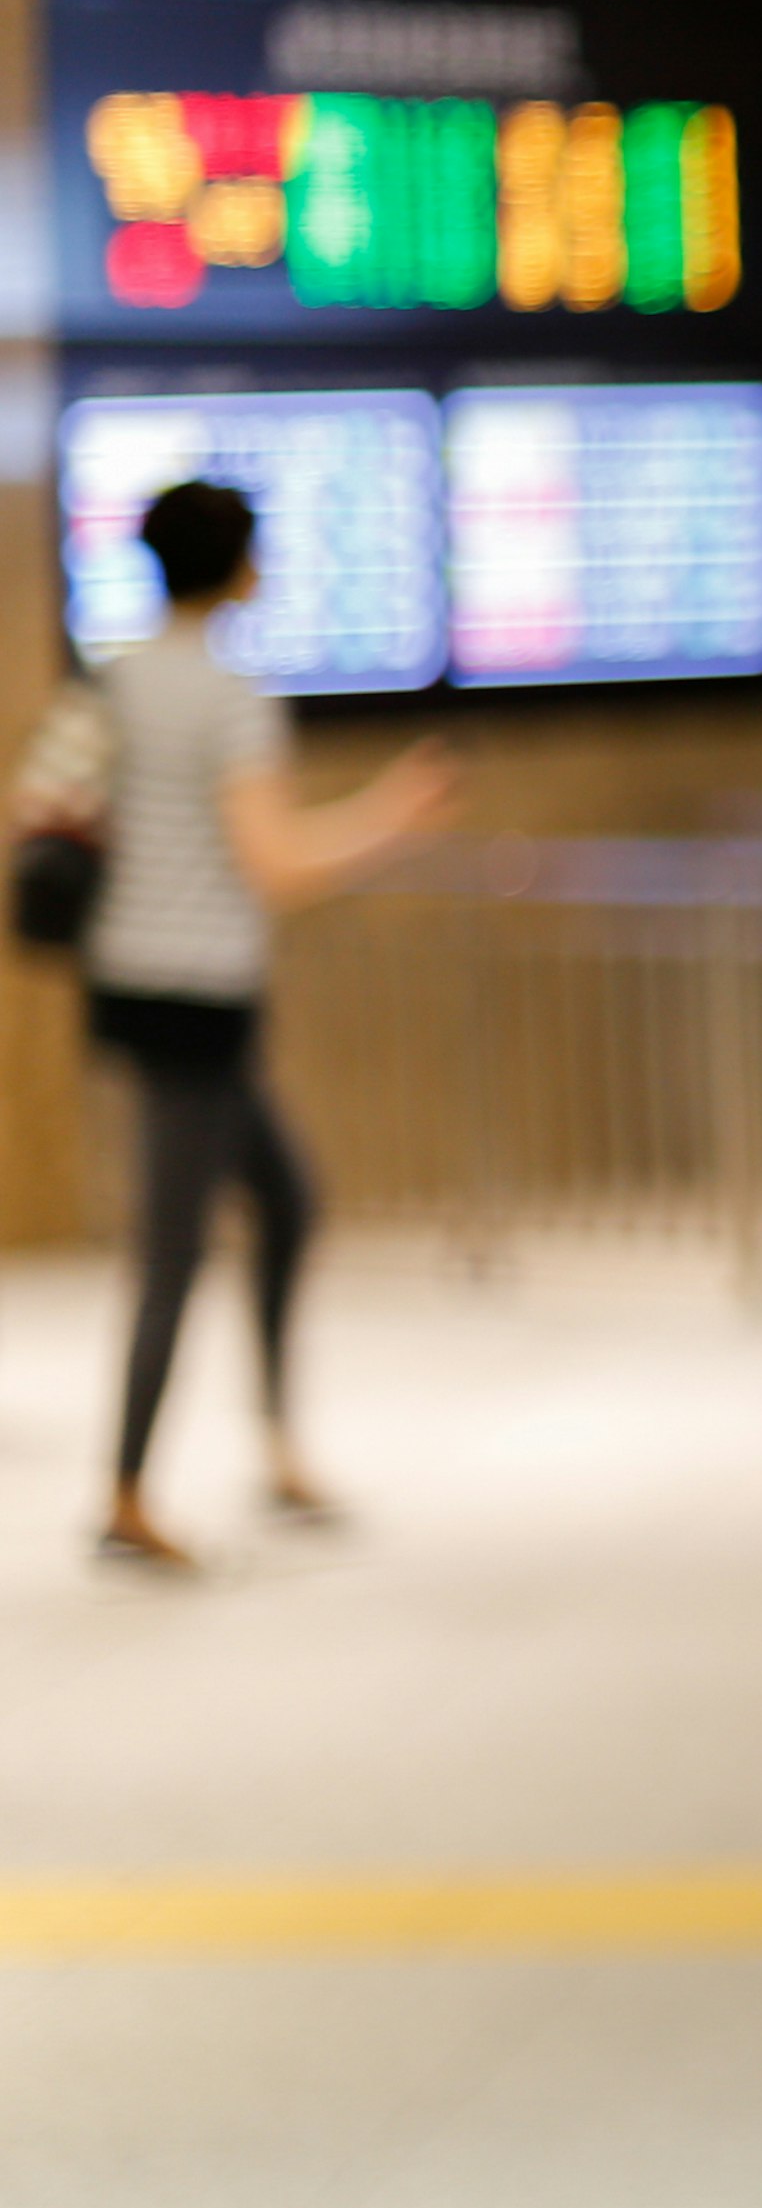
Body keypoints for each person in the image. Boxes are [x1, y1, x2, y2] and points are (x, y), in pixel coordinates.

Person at [13, 480, 452, 1569]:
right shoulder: (226, 696)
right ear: (242, 565)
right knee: (172, 1250)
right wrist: (392, 821)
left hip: (133, 988)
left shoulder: (113, 680)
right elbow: (280, 865)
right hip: (198, 998)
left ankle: (275, 1448)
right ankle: (125, 1491)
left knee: (289, 1199)